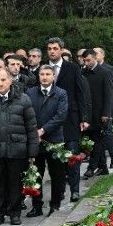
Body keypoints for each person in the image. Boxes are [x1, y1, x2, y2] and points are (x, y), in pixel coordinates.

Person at [0, 69, 39, 226]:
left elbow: (31, 127)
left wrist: (32, 151)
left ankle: (15, 213)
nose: (0, 83)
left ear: (11, 81)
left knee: (15, 183)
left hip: (16, 149)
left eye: (3, 80)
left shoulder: (23, 99)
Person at [44, 38, 90, 199]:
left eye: (55, 48)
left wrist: (84, 117)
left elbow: (80, 92)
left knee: (72, 157)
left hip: (71, 119)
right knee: (56, 161)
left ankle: (75, 190)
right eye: (49, 48)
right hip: (51, 121)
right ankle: (59, 191)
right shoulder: (44, 70)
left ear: (61, 50)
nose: (52, 51)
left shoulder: (72, 68)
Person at [27, 64, 69, 216]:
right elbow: (27, 114)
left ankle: (55, 204)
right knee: (35, 174)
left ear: (53, 76)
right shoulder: (30, 93)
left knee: (56, 174)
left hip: (54, 140)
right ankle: (37, 206)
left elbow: (61, 116)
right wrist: (34, 132)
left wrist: (43, 130)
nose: (44, 77)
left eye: (47, 74)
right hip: (35, 141)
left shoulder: (61, 93)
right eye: (42, 74)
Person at [80, 49, 113, 178]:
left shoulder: (104, 73)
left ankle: (91, 167)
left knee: (97, 141)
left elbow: (109, 95)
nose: (86, 63)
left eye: (89, 60)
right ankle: (103, 167)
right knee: (94, 141)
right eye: (85, 61)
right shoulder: (83, 72)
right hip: (88, 113)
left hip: (100, 112)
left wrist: (106, 113)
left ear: (95, 58)